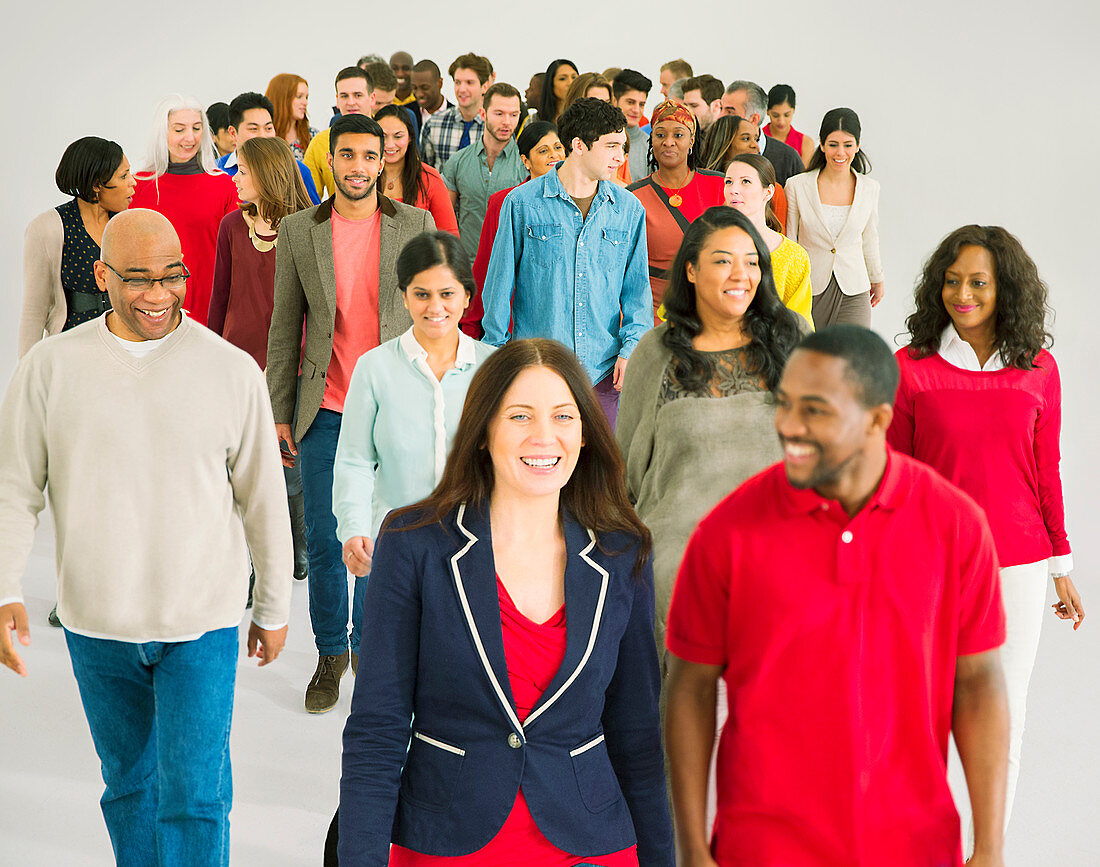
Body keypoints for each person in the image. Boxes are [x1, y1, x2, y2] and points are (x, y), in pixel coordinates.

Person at [0, 209, 293, 865]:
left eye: (172, 276)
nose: (158, 295)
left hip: (203, 619)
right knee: (130, 784)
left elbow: (263, 499)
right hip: (97, 623)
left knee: (194, 793)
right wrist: (4, 584)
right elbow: (13, 485)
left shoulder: (230, 370)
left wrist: (273, 607)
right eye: (138, 278)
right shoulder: (50, 369)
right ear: (102, 275)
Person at [666, 324, 1010, 867]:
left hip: (912, 847)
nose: (788, 426)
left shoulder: (957, 526)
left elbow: (979, 682)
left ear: (877, 420)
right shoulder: (726, 533)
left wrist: (990, 847)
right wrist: (690, 851)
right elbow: (689, 687)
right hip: (762, 849)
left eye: (815, 410)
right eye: (784, 404)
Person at [336, 338, 674, 867]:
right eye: (520, 416)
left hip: (590, 843)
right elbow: (377, 731)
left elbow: (637, 736)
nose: (545, 436)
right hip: (446, 842)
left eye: (564, 416)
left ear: (585, 434)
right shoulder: (413, 543)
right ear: (483, 431)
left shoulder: (621, 553)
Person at [888, 225, 1083, 837]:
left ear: (1006, 289)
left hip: (1019, 563)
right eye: (952, 281)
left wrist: (1061, 565)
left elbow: (1044, 471)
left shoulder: (1038, 369)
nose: (963, 294)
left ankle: (989, 845)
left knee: (1002, 711)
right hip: (931, 563)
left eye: (978, 282)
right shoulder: (910, 369)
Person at [266, 114, 435, 713]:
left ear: (384, 160)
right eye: (347, 156)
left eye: (370, 156)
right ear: (330, 160)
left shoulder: (415, 224)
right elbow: (285, 325)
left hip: (393, 404)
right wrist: (279, 410)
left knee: (381, 532)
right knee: (327, 533)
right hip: (325, 406)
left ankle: (369, 647)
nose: (359, 167)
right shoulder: (296, 231)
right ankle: (330, 653)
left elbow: (431, 315)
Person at [617, 205, 803, 663]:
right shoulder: (656, 353)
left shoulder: (791, 342)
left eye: (751, 261)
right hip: (677, 584)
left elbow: (823, 459)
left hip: (781, 579)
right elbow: (623, 478)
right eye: (722, 260)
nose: (740, 274)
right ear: (692, 270)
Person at [332, 230, 495, 667]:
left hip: (476, 544)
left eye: (447, 293)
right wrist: (353, 526)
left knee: (464, 667)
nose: (435, 307)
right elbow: (354, 460)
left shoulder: (493, 369)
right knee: (385, 664)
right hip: (394, 546)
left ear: (466, 296)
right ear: (403, 296)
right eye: (421, 294)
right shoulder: (374, 368)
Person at [481, 98, 651, 428]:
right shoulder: (522, 203)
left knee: (599, 476)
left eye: (623, 146)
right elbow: (498, 289)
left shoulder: (629, 209)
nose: (621, 157)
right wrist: (496, 361)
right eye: (612, 146)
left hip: (604, 372)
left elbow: (637, 294)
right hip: (535, 369)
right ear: (578, 146)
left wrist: (632, 350)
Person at [208, 136, 314, 586]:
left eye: (244, 171)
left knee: (288, 467)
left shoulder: (307, 227)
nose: (235, 178)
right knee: (243, 466)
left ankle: (297, 542)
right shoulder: (232, 226)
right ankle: (249, 563)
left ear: (267, 174)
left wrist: (293, 361)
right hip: (236, 362)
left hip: (288, 364)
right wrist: (208, 357)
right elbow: (220, 297)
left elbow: (316, 304)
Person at [129, 94, 239, 326]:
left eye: (197, 128)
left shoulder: (224, 186)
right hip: (151, 311)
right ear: (163, 133)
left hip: (211, 311)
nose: (190, 138)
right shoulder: (138, 187)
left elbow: (235, 257)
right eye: (179, 130)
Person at [20, 136, 135, 357]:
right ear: (96, 185)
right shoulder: (48, 228)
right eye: (124, 175)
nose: (133, 181)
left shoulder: (127, 224)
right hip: (72, 354)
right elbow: (34, 312)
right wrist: (28, 375)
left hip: (124, 352)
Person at [785, 107, 884, 328]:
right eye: (833, 145)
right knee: (812, 356)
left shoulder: (869, 188)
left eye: (848, 145)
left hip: (854, 288)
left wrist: (876, 277)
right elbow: (791, 240)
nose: (840, 153)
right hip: (810, 287)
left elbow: (870, 238)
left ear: (857, 145)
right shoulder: (797, 186)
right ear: (821, 144)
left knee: (854, 357)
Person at [627, 100, 724, 320]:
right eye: (660, 135)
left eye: (678, 135)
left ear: (691, 141)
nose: (668, 142)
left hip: (710, 307)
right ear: (652, 140)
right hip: (652, 311)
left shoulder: (718, 186)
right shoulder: (634, 196)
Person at [466, 121, 565, 337]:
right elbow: (484, 268)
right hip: (513, 326)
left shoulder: (577, 202)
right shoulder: (503, 202)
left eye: (558, 147)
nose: (554, 155)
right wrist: (472, 328)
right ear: (525, 161)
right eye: (543, 150)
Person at [441, 83, 527, 265]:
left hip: (511, 267)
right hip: (466, 267)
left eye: (514, 115)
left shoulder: (526, 165)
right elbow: (444, 221)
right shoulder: (458, 162)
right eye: (499, 113)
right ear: (483, 114)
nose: (507, 122)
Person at [724, 154, 812, 327]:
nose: (733, 189)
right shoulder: (706, 245)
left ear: (768, 192)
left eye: (745, 182)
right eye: (728, 181)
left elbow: (800, 326)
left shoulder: (794, 257)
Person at [215, 92, 320, 204]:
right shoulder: (216, 171)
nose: (263, 136)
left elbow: (312, 218)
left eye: (268, 128)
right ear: (233, 133)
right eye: (253, 129)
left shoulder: (297, 171)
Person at [374, 104, 457, 235]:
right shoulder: (364, 176)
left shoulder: (429, 177)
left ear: (410, 137)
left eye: (398, 136)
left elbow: (449, 236)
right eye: (383, 136)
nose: (390, 144)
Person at [304, 67, 376, 199]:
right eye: (344, 96)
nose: (351, 102)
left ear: (372, 98)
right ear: (337, 100)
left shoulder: (390, 139)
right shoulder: (320, 142)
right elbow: (307, 199)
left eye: (358, 95)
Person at [720, 81, 805, 186]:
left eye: (730, 112)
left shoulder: (788, 158)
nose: (720, 116)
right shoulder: (708, 153)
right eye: (720, 109)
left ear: (754, 119)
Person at [419, 53, 492, 170]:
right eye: (458, 82)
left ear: (484, 86)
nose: (462, 89)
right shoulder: (433, 124)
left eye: (469, 82)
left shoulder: (494, 126)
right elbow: (425, 173)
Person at [613, 69, 653, 183]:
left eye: (641, 104)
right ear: (615, 101)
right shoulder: (599, 141)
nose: (636, 110)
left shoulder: (650, 147)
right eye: (630, 102)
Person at [266, 73, 315, 160]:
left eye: (306, 97)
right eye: (299, 96)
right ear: (282, 98)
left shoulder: (312, 136)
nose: (305, 102)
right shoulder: (263, 136)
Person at [765, 83, 814, 167]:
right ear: (767, 111)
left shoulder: (805, 143)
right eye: (775, 115)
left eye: (787, 115)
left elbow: (803, 177)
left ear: (794, 110)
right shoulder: (757, 138)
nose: (781, 121)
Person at [411, 59, 453, 129]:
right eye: (414, 88)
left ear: (440, 83)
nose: (419, 94)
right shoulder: (405, 114)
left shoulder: (458, 117)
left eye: (425, 88)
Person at [536, 58, 578, 123]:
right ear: (551, 84)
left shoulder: (587, 117)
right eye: (562, 79)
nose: (570, 83)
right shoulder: (535, 119)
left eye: (574, 77)